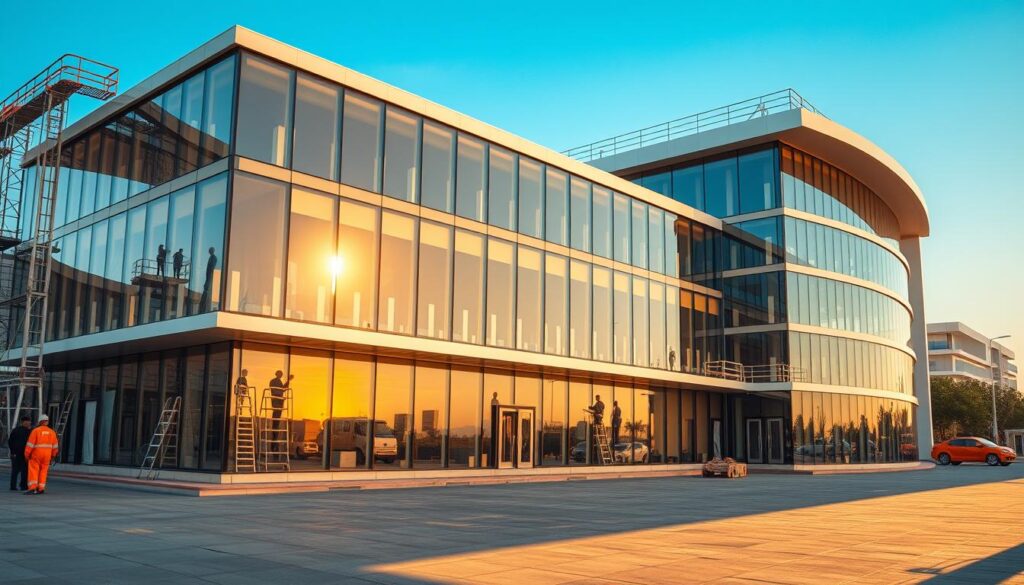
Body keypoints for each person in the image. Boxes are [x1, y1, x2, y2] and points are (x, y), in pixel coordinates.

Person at [24, 414, 58, 495]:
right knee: (43, 471)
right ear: (47, 422)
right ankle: (41, 488)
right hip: (47, 455)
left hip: (36, 454)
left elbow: (30, 445)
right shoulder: (52, 432)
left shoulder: (36, 431)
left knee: (33, 471)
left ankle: (32, 488)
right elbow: (55, 446)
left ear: (40, 421)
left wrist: (27, 455)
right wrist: (53, 455)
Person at [7, 415, 31, 491]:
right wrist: (13, 452)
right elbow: (10, 442)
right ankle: (22, 486)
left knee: (18, 471)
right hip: (20, 454)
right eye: (26, 422)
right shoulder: (28, 432)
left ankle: (14, 486)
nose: (28, 423)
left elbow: (10, 441)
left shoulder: (15, 430)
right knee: (21, 471)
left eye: (29, 422)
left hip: (20, 454)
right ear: (22, 422)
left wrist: (12, 452)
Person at [200, 247, 218, 312]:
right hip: (208, 275)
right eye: (209, 250)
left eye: (210, 250)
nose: (209, 251)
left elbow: (212, 267)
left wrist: (212, 274)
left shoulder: (214, 258)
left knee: (207, 288)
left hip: (210, 275)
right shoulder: (211, 257)